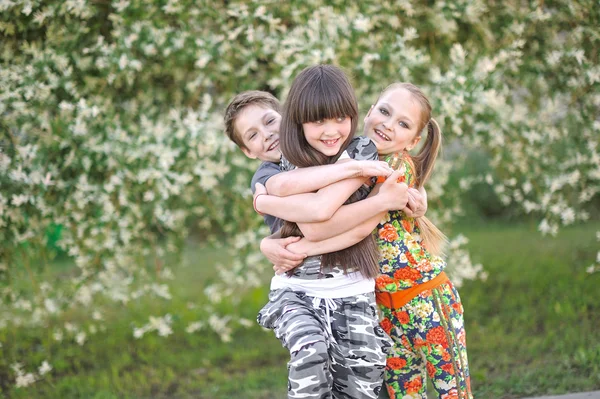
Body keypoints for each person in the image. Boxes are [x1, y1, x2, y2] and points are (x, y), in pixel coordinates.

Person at [260, 82, 473, 399]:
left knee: (452, 391)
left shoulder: (393, 165)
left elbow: (356, 227)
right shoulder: (354, 157)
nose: (388, 124)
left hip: (425, 298)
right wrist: (266, 219)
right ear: (369, 111)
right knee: (404, 393)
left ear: (413, 140)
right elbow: (311, 204)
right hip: (384, 307)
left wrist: (302, 247)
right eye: (385, 112)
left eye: (402, 124)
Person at [249, 64, 416, 399]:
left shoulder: (362, 150)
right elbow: (313, 214)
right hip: (297, 290)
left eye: (340, 118)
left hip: (353, 290)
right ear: (298, 120)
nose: (330, 131)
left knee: (363, 383)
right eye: (318, 120)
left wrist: (271, 207)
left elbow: (322, 219)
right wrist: (265, 206)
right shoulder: (282, 165)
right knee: (310, 356)